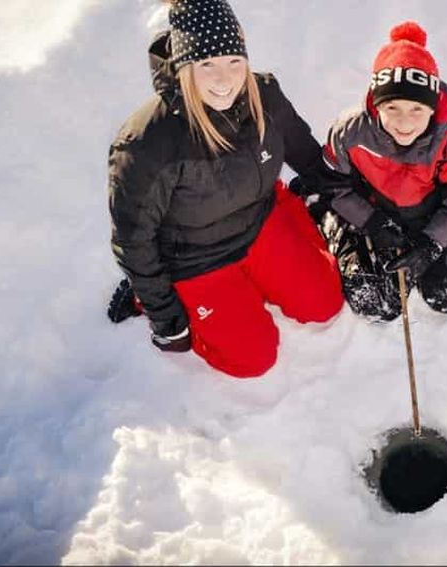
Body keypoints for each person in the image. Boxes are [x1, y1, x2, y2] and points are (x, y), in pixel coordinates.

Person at [106, 0, 344, 378]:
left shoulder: (263, 94)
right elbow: (133, 241)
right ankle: (150, 297)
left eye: (234, 61)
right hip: (195, 257)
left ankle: (261, 276)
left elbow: (307, 156)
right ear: (184, 66)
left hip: (260, 220)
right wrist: (166, 317)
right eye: (207, 65)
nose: (224, 79)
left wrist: (363, 206)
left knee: (324, 305)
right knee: (254, 360)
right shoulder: (146, 142)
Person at [297, 21, 447, 322]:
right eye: (392, 108)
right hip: (373, 209)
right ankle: (336, 228)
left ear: (432, 107)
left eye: (417, 109)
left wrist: (431, 243)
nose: (404, 122)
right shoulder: (350, 132)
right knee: (377, 304)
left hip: (426, 212)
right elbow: (334, 186)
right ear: (377, 105)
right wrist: (373, 223)